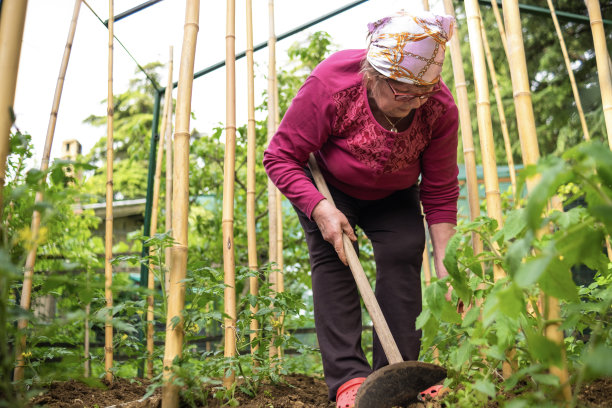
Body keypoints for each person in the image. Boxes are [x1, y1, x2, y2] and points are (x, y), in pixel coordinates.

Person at [263, 10, 458, 408]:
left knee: (404, 251)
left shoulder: (437, 108)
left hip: (394, 193)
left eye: (422, 92)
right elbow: (280, 156)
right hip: (330, 190)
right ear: (373, 73)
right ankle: (349, 380)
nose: (414, 102)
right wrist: (320, 210)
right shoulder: (332, 83)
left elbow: (439, 192)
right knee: (335, 259)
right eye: (403, 92)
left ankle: (400, 374)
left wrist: (447, 262)